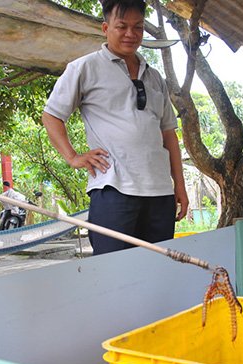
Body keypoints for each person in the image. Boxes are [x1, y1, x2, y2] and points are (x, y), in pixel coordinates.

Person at [43, 0, 189, 255]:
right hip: (113, 190)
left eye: (138, 27)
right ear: (105, 27)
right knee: (112, 271)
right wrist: (73, 157)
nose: (131, 34)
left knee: (156, 271)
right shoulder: (84, 68)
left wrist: (179, 186)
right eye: (122, 26)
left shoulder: (154, 76)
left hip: (160, 193)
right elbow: (52, 115)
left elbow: (169, 134)